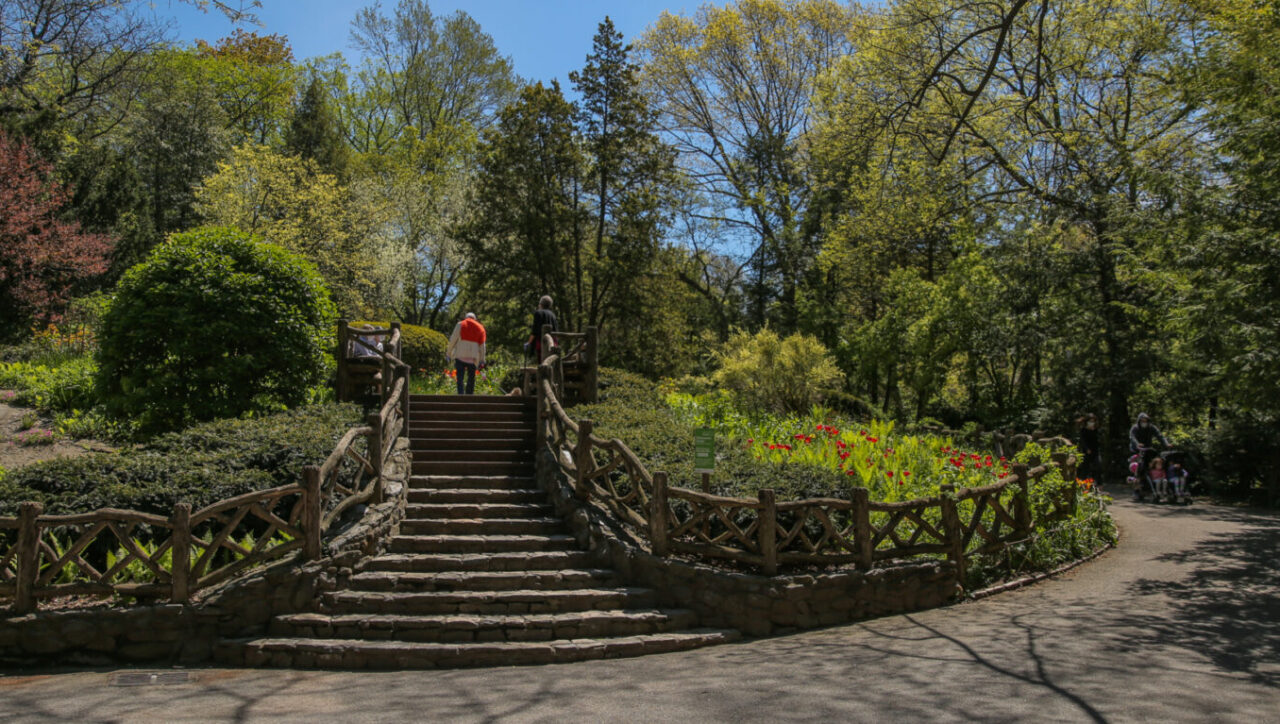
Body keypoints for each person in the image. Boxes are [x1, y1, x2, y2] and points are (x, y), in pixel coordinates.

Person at [1128, 412, 1169, 501]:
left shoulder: (1151, 428)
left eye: (1146, 421)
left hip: (1148, 450)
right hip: (1137, 451)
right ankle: (1137, 490)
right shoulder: (1135, 428)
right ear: (1139, 421)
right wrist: (1137, 444)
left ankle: (1156, 488)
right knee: (1139, 469)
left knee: (1153, 466)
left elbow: (1160, 436)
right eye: (1142, 421)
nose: (1144, 422)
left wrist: (1166, 444)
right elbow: (1132, 437)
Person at [446, 312, 486, 395]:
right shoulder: (480, 328)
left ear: (466, 317)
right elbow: (482, 346)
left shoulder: (460, 324)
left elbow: (453, 340)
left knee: (460, 378)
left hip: (460, 356)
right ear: (475, 319)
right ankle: (469, 397)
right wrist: (482, 360)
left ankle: (461, 395)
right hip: (472, 359)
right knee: (471, 379)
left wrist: (448, 353)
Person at [526, 295, 558, 362]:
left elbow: (534, 331)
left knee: (542, 362)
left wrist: (529, 342)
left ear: (540, 304)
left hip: (542, 342)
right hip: (553, 342)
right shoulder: (553, 315)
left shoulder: (538, 313)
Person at [1076, 413, 1102, 483]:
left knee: (1098, 466)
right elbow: (1083, 441)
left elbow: (1097, 440)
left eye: (1093, 421)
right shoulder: (1083, 430)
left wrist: (1093, 431)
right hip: (1086, 451)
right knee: (1085, 467)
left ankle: (1099, 484)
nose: (1092, 423)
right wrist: (1087, 449)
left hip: (1095, 451)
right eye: (1090, 421)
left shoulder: (1096, 430)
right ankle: (1082, 482)